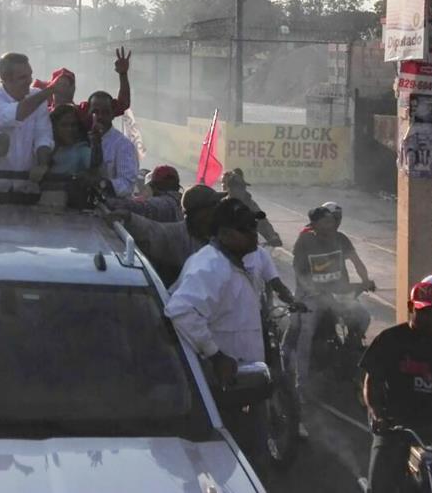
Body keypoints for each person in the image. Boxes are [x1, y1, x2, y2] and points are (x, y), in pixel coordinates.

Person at [164, 197, 268, 469]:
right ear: (224, 234)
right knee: (228, 465)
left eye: (253, 228)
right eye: (246, 230)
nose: (254, 235)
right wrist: (216, 355)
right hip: (220, 390)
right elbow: (181, 310)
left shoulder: (236, 261)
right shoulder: (210, 266)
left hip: (243, 385)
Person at [361, 281, 432, 493]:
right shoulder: (390, 340)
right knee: (380, 484)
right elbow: (372, 381)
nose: (430, 319)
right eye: (423, 312)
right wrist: (377, 413)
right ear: (411, 308)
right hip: (396, 425)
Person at [288, 206, 375, 401]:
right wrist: (313, 291)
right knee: (306, 332)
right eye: (327, 221)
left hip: (337, 292)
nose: (332, 224)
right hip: (311, 295)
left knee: (363, 317)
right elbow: (299, 273)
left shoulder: (341, 238)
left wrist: (366, 280)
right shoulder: (305, 241)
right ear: (315, 225)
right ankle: (299, 385)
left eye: (333, 221)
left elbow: (357, 261)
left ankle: (350, 356)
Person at [109, 184, 224, 287]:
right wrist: (129, 217)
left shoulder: (223, 235)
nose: (218, 208)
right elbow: (151, 231)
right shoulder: (179, 236)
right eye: (214, 204)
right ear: (199, 212)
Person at [0, 52, 55, 190]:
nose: (29, 81)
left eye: (30, 75)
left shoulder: (37, 95)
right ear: (4, 78)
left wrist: (42, 164)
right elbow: (12, 115)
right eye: (23, 77)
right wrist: (50, 91)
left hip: (27, 186)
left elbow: (43, 136)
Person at [36, 47, 131, 129]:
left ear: (73, 89)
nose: (64, 88)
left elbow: (123, 104)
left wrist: (123, 74)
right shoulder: (42, 114)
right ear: (52, 88)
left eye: (68, 84)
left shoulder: (84, 111)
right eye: (60, 84)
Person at [88, 90, 138, 197]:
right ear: (88, 113)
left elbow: (127, 185)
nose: (100, 117)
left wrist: (102, 184)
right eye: (95, 112)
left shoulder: (123, 145)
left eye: (105, 112)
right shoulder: (80, 137)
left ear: (112, 115)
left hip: (112, 207)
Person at [221, 169, 282, 247]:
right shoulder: (223, 205)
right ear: (230, 189)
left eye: (243, 187)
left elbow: (263, 220)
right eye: (239, 188)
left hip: (248, 244)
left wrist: (272, 236)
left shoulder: (249, 203)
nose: (242, 190)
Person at [108, 165, 183, 223]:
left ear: (156, 186)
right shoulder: (177, 204)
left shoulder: (165, 204)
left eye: (152, 185)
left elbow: (140, 207)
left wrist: (109, 201)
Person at [48, 104, 101, 177]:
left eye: (73, 125)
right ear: (54, 127)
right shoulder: (46, 151)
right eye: (64, 125)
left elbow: (97, 174)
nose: (69, 129)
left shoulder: (83, 151)